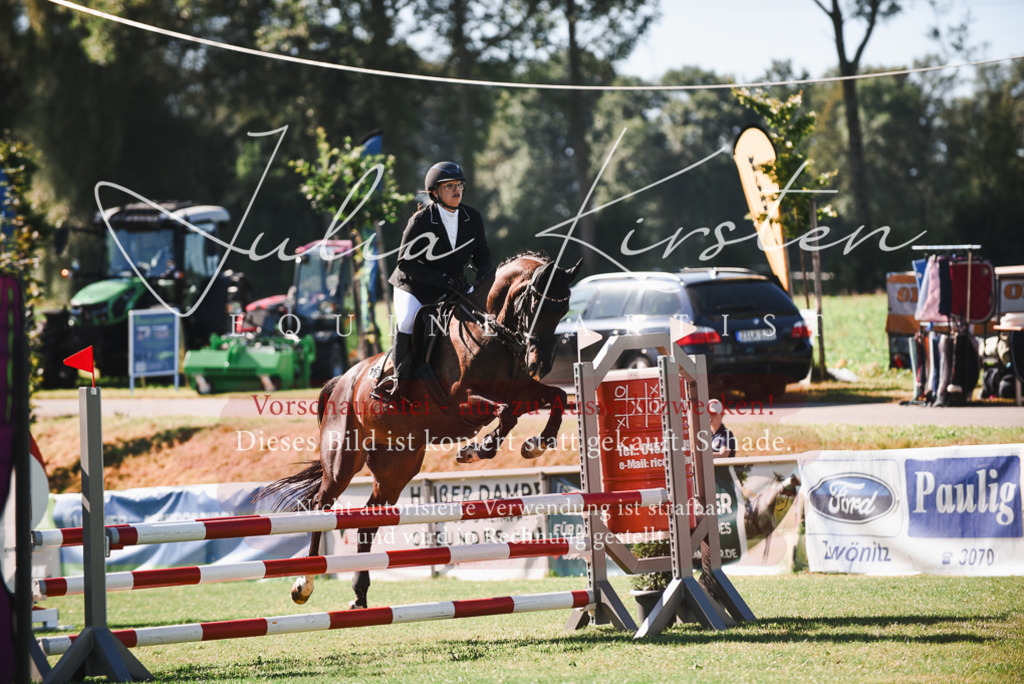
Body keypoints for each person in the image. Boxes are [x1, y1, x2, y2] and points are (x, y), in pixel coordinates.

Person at [372, 161, 495, 404]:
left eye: (459, 185)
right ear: (434, 192)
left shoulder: (473, 217)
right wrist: (440, 279)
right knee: (407, 321)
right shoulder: (422, 221)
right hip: (414, 286)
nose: (456, 190)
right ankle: (399, 383)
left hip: (451, 286)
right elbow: (405, 263)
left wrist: (484, 273)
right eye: (449, 186)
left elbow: (482, 254)